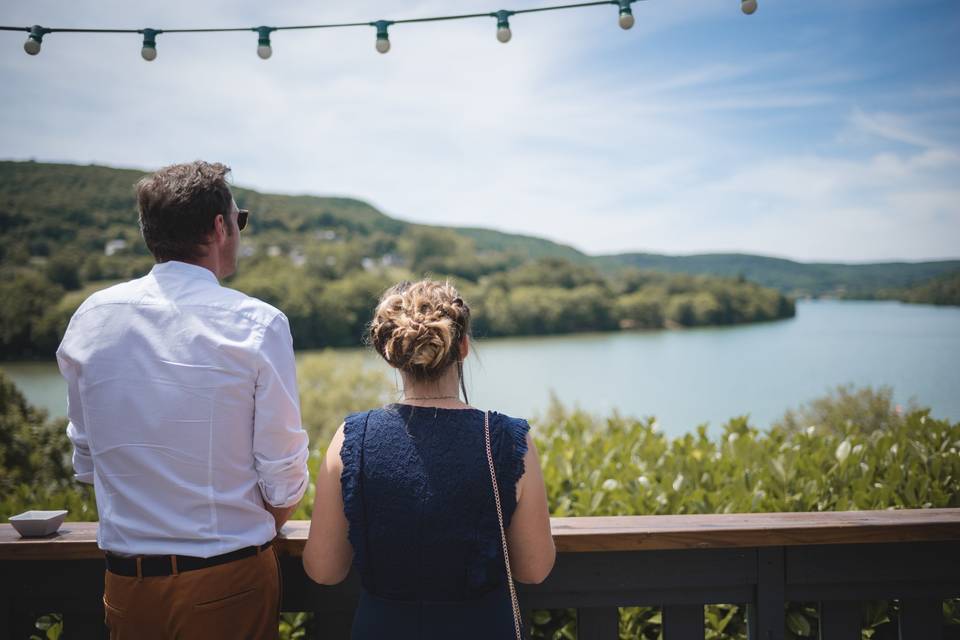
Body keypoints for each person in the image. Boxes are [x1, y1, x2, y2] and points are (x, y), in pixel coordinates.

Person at [56, 161, 309, 640]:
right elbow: (283, 474)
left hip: (127, 586)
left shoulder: (91, 318)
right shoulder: (257, 324)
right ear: (220, 227)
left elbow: (88, 462)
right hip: (226, 580)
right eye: (241, 219)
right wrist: (244, 530)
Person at [302, 279, 555, 639]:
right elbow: (534, 568)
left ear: (390, 352)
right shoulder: (506, 438)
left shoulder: (351, 437)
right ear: (463, 347)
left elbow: (324, 569)